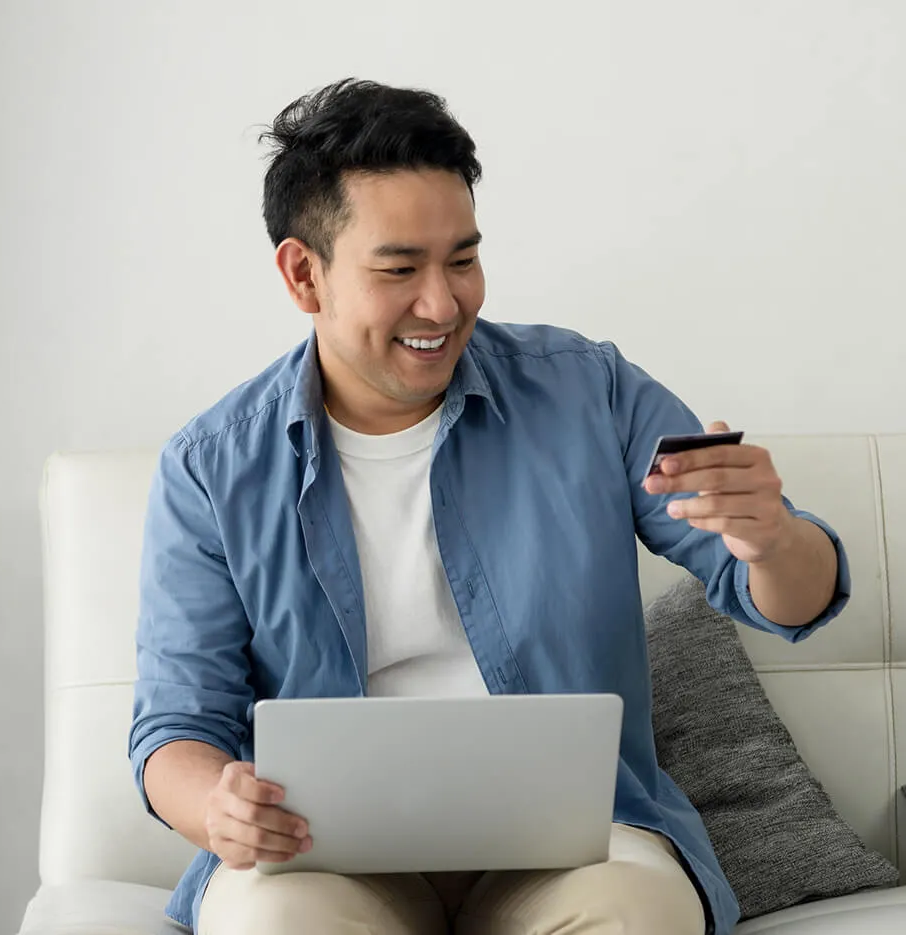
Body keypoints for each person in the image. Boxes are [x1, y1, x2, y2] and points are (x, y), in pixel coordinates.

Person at [128, 78, 849, 935]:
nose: (444, 303)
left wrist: (771, 542)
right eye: (400, 269)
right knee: (277, 922)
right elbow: (175, 724)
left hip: (572, 849)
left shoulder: (590, 391)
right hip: (325, 857)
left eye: (463, 259)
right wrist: (217, 805)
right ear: (302, 274)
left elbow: (787, 597)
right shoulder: (211, 467)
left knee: (636, 912)